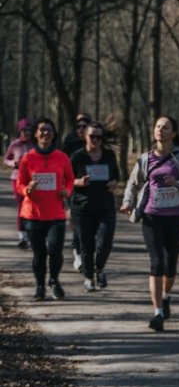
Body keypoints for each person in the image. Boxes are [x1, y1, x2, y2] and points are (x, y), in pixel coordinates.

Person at [120, 116, 179, 332]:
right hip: (151, 216)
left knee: (170, 265)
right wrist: (128, 202)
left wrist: (177, 183)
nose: (160, 130)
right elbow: (133, 183)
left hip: (174, 217)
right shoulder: (145, 159)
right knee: (156, 264)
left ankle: (166, 296)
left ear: (173, 133)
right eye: (157, 126)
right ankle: (157, 313)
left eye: (165, 127)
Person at [16, 118, 74, 300]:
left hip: (55, 214)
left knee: (55, 251)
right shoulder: (28, 158)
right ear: (35, 134)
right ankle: (40, 286)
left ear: (54, 134)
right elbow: (20, 183)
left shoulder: (62, 157)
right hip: (33, 214)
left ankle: (54, 280)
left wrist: (67, 191)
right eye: (41, 130)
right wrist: (27, 189)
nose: (45, 133)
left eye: (49, 130)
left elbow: (70, 179)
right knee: (39, 255)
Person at [70, 121, 119, 292]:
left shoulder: (109, 155)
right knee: (86, 245)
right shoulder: (77, 157)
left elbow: (116, 175)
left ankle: (100, 268)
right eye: (92, 136)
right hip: (83, 207)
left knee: (105, 243)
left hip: (105, 206)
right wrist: (78, 182)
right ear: (85, 136)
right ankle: (89, 278)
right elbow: (65, 180)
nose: (96, 140)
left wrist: (114, 183)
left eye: (99, 137)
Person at [64, 113, 91, 271]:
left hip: (93, 190)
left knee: (88, 225)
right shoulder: (70, 141)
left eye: (84, 126)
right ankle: (78, 253)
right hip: (73, 187)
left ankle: (84, 251)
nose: (81, 129)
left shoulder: (96, 142)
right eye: (78, 126)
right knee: (77, 221)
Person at [4, 117, 35, 248]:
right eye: (24, 130)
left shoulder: (35, 144)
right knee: (21, 205)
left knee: (32, 205)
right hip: (16, 178)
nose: (26, 133)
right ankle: (22, 235)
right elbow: (6, 159)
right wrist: (14, 163)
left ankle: (32, 233)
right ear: (19, 131)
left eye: (28, 130)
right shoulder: (15, 144)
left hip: (32, 180)